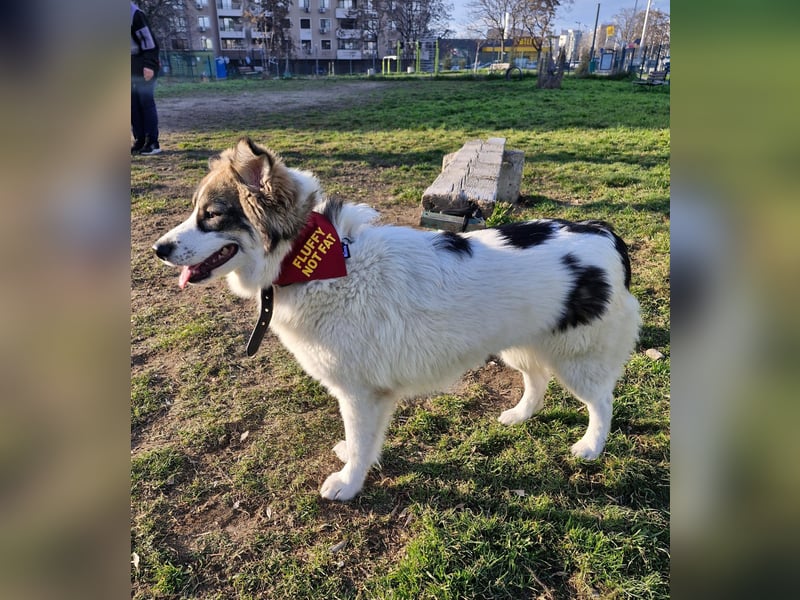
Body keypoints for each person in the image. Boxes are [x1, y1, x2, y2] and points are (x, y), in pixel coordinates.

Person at [131, 2, 161, 155]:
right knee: (132, 104)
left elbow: (149, 42)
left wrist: (149, 65)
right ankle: (140, 139)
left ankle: (152, 142)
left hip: (144, 62)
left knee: (145, 102)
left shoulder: (133, 14)